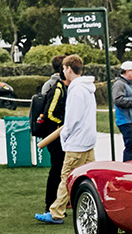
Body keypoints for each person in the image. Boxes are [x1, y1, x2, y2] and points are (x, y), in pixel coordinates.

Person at [36, 55, 98, 222]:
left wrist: (64, 136)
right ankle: (94, 207)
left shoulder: (77, 89)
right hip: (87, 140)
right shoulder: (86, 87)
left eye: (63, 68)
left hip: (77, 143)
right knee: (88, 176)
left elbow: (72, 119)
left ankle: (56, 212)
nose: (62, 71)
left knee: (66, 178)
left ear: (69, 68)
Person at [29, 54, 66, 211]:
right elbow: (50, 113)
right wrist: (64, 125)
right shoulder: (55, 86)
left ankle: (59, 201)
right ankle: (51, 203)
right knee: (57, 168)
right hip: (54, 134)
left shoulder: (54, 85)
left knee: (59, 168)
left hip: (56, 134)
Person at [112, 60, 132, 161]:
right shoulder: (119, 84)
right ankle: (126, 168)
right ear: (127, 71)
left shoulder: (129, 84)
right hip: (127, 122)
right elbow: (118, 101)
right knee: (131, 148)